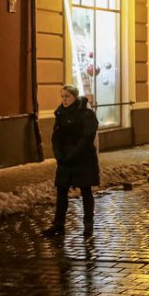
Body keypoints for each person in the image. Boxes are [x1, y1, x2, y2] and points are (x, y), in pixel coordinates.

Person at [41, 85, 100, 238]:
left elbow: (87, 137)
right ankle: (58, 224)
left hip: (83, 158)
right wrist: (59, 154)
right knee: (61, 191)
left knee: (85, 191)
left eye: (67, 96)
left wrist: (74, 153)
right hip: (65, 159)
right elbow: (56, 137)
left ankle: (88, 225)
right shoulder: (60, 113)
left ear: (74, 97)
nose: (64, 99)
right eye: (62, 96)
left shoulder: (86, 114)